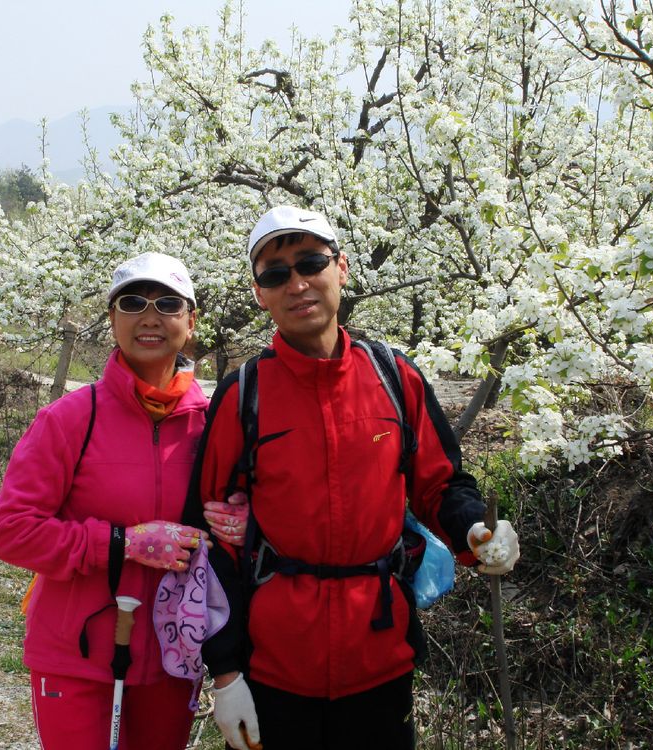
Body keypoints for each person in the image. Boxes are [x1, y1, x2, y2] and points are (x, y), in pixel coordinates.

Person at [182, 206, 521, 750]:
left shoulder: (393, 375)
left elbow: (442, 484)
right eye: (275, 273)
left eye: (310, 263)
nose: (296, 283)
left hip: (380, 657)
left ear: (341, 268)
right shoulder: (243, 392)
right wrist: (225, 674)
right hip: (274, 667)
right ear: (259, 294)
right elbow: (209, 536)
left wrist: (475, 532)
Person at [0, 252, 247, 750]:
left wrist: (241, 521)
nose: (150, 316)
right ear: (112, 320)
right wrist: (122, 543)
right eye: (132, 302)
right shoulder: (68, 420)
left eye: (168, 303)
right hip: (75, 653)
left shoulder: (216, 425)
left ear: (191, 321)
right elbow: (10, 531)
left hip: (174, 657)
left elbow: (238, 517)